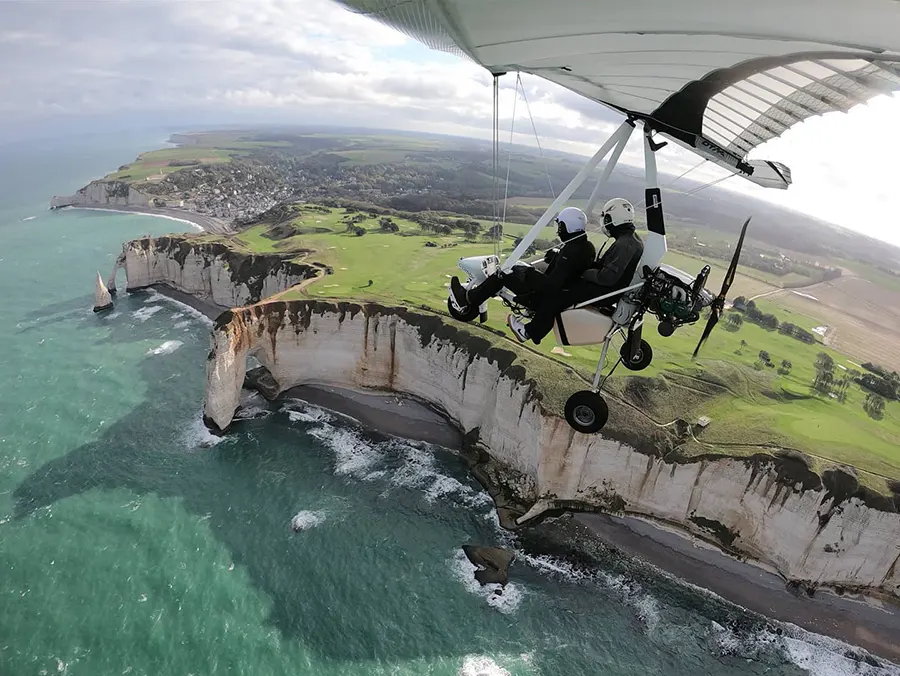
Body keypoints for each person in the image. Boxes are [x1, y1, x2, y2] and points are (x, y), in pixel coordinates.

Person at [507, 197, 644, 344]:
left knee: (559, 294)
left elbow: (607, 277)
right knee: (562, 288)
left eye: (607, 218)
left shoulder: (625, 244)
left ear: (613, 219)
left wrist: (582, 272)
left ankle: (530, 332)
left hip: (606, 291)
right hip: (609, 289)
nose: (605, 223)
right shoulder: (630, 240)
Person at [449, 206, 596, 315]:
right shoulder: (585, 246)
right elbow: (568, 270)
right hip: (557, 294)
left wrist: (528, 273)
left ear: (567, 226)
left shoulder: (572, 251)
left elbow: (551, 285)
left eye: (561, 226)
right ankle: (479, 294)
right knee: (515, 269)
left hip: (540, 298)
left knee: (503, 275)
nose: (559, 230)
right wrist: (557, 255)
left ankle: (467, 299)